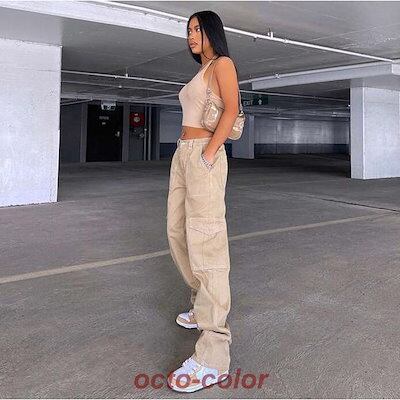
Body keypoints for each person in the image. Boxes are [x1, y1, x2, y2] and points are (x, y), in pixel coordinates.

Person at [166, 10, 240, 393]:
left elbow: (232, 108)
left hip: (202, 154)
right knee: (177, 231)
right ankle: (201, 304)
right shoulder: (202, 70)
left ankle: (213, 355)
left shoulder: (222, 64)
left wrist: (209, 154)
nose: (191, 35)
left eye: (197, 28)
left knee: (207, 242)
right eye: (188, 30)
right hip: (184, 154)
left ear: (212, 31)